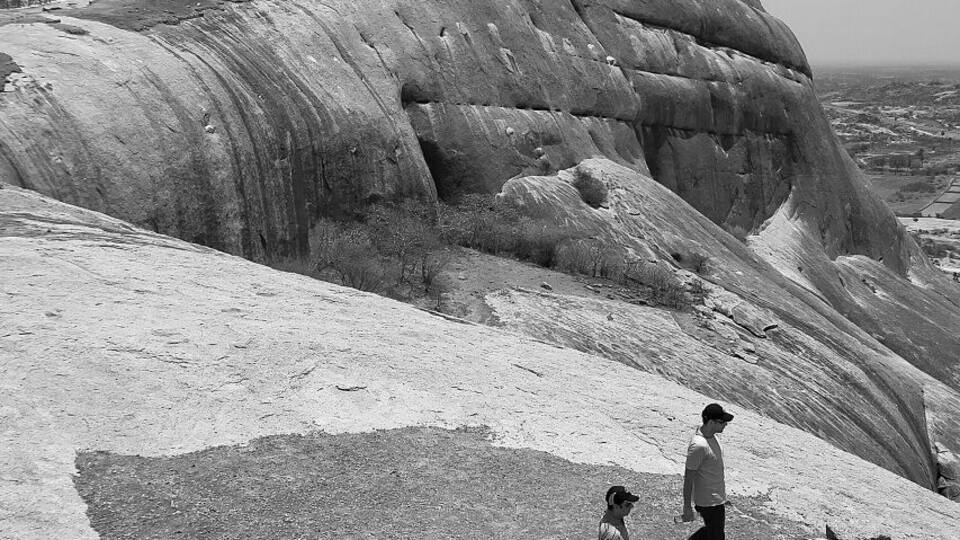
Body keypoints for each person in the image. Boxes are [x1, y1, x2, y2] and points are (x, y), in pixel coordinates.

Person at [680, 403, 734, 540]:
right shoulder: (699, 445)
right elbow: (689, 478)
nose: (725, 425)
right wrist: (687, 507)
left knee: (712, 530)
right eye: (722, 422)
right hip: (709, 502)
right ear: (710, 422)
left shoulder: (711, 435)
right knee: (716, 535)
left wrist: (722, 497)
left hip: (716, 499)